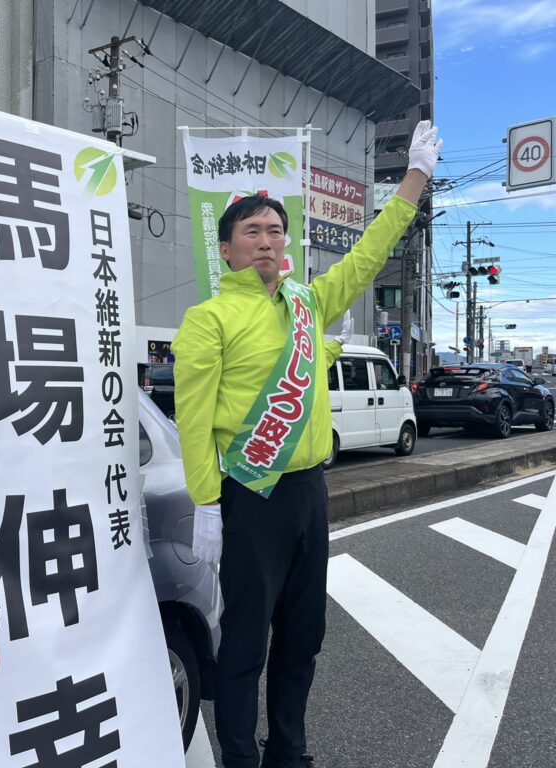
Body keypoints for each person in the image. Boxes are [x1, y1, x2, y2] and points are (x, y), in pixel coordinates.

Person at [172, 122, 442, 768]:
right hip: (248, 496)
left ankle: (288, 753)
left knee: (303, 639)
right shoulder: (208, 319)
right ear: (228, 250)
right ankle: (238, 756)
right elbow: (193, 419)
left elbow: (370, 254)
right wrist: (207, 504)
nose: (266, 241)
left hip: (308, 494)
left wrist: (415, 179)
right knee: (243, 646)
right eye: (252, 232)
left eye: (274, 230)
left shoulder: (307, 305)